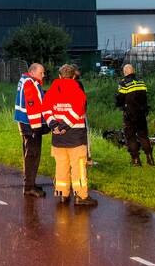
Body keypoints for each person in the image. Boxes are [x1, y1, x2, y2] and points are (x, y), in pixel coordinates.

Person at [43, 64, 97, 207]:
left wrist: (54, 125)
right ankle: (81, 196)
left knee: (61, 166)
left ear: (59, 76)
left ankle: (62, 194)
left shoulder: (51, 91)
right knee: (78, 167)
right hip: (75, 137)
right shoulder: (78, 91)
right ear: (74, 76)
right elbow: (77, 110)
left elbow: (46, 109)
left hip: (58, 138)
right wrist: (64, 126)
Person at [14, 63, 48, 197]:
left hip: (24, 123)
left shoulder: (26, 80)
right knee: (32, 155)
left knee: (29, 154)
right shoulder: (30, 83)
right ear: (33, 72)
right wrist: (37, 128)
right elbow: (32, 107)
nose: (43, 75)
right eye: (41, 73)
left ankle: (30, 183)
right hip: (30, 125)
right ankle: (29, 187)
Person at [115, 63, 155, 166]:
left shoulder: (123, 83)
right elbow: (145, 97)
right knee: (143, 136)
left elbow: (120, 98)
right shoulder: (141, 82)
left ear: (125, 72)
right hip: (142, 113)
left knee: (131, 137)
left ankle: (136, 160)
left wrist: (118, 103)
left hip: (129, 114)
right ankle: (149, 157)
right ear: (134, 71)